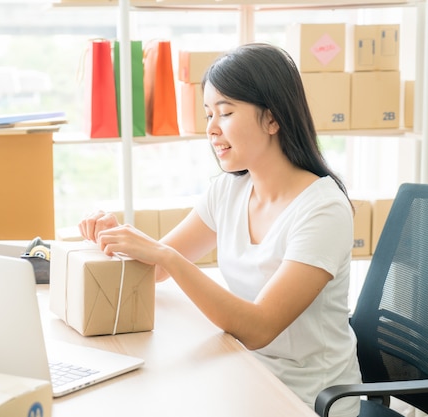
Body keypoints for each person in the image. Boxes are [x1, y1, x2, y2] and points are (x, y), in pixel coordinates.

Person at [79, 42, 362, 417]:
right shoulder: (229, 190)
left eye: (225, 113)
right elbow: (158, 269)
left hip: (305, 399)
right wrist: (116, 238)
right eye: (208, 114)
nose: (211, 128)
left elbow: (260, 328)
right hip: (243, 373)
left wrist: (168, 257)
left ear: (273, 119)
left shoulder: (323, 210)